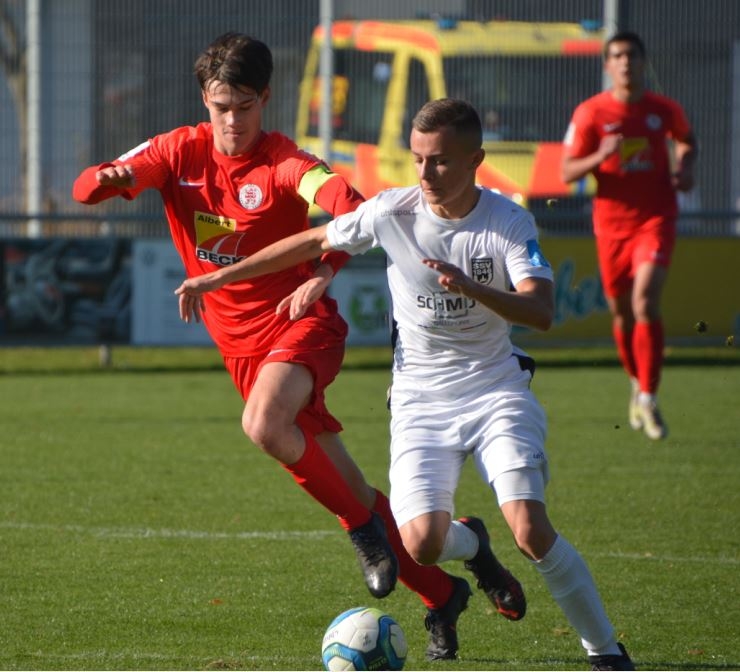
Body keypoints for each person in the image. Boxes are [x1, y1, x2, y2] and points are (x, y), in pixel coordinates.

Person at [72, 33, 525, 661]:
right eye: (222, 107)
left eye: (246, 107)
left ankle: (362, 532)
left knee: (264, 424)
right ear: (205, 100)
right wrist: (108, 178)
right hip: (242, 353)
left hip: (304, 327)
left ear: (266, 99)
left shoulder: (287, 162)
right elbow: (85, 189)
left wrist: (324, 270)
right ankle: (447, 586)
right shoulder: (177, 150)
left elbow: (349, 206)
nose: (233, 121)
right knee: (350, 484)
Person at [175, 97, 636, 671]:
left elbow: (540, 312)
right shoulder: (393, 211)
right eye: (417, 159)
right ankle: (473, 543)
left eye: (439, 160)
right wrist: (218, 277)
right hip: (419, 398)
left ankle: (605, 652)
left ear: (475, 161)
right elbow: (315, 241)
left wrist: (472, 287)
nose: (425, 173)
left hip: (495, 390)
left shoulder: (508, 221)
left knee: (530, 529)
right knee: (421, 543)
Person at [561, 31, 697, 440]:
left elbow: (686, 139)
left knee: (645, 301)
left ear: (642, 61)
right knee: (622, 313)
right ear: (607, 65)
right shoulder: (591, 113)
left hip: (655, 219)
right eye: (617, 56)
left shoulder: (663, 109)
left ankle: (650, 397)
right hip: (611, 226)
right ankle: (637, 384)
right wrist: (600, 155)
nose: (625, 62)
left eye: (632, 55)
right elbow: (566, 171)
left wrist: (685, 167)